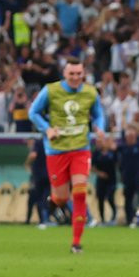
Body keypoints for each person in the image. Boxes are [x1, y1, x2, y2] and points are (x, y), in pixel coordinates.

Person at [28, 56, 107, 253]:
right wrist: (47, 129)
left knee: (80, 192)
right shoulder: (51, 90)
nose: (75, 77)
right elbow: (33, 112)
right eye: (71, 73)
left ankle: (76, 242)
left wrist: (100, 127)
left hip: (81, 148)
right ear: (65, 73)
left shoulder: (90, 92)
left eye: (79, 74)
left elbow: (99, 114)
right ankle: (54, 201)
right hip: (56, 150)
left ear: (83, 74)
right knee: (62, 198)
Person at [24, 136, 51, 228]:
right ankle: (45, 220)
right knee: (45, 198)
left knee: (39, 198)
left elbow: (33, 155)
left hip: (39, 176)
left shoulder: (39, 143)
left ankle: (43, 221)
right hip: (51, 175)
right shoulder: (52, 143)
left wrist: (27, 163)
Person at [91, 134, 118, 226]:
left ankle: (114, 215)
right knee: (100, 199)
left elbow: (118, 162)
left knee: (110, 197)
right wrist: (99, 173)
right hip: (101, 180)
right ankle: (102, 219)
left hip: (112, 179)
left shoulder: (112, 152)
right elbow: (92, 167)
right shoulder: (96, 153)